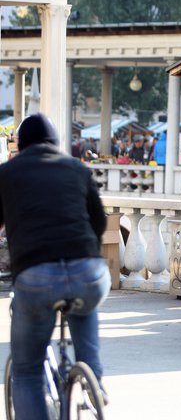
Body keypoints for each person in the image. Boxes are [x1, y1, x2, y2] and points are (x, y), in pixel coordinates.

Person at [0, 113, 111, 419]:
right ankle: (93, 381)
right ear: (57, 143)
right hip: (88, 270)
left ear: (20, 145)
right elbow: (99, 221)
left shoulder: (7, 173)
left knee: (26, 370)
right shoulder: (76, 168)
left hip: (36, 274)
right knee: (85, 307)